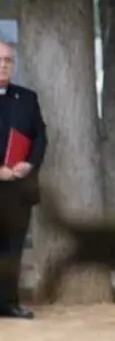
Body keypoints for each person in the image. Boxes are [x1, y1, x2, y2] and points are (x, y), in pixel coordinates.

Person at [0, 39, 43, 320]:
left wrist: (30, 164)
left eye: (9, 60)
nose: (4, 65)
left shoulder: (27, 98)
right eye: (0, 59)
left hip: (17, 187)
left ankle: (8, 302)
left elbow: (40, 136)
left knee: (13, 248)